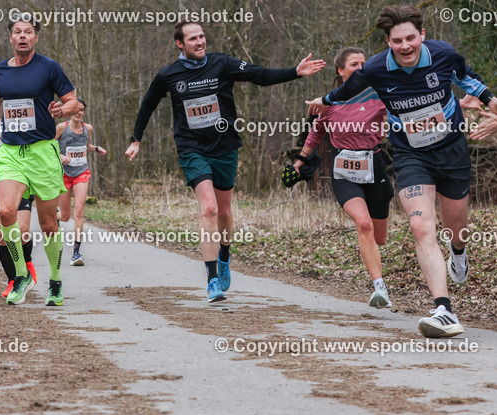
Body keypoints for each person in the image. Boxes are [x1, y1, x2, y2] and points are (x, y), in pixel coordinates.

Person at [307, 4, 497, 338]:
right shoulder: (376, 68)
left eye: (410, 38)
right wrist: (324, 99)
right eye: (396, 41)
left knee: (456, 227)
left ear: (422, 36)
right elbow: (347, 90)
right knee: (420, 225)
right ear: (388, 42)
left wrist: (490, 101)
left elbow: (465, 76)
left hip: (451, 151)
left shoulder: (443, 54)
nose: (405, 46)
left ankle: (458, 252)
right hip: (409, 154)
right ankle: (444, 309)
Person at [126, 20, 326, 302]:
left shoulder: (222, 64)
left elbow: (260, 75)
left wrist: (295, 71)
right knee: (207, 209)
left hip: (225, 146)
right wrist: (136, 139)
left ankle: (224, 255)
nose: (200, 42)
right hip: (191, 148)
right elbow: (148, 103)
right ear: (180, 44)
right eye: (192, 38)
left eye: (202, 36)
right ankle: (212, 282)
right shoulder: (168, 75)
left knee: (223, 211)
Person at [0, 14, 80, 306]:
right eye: (18, 32)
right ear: (11, 38)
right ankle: (21, 275)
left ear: (35, 38)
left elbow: (73, 100)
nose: (23, 36)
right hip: (10, 152)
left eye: (29, 32)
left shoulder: (49, 68)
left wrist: (63, 109)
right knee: (6, 213)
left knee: (48, 224)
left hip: (43, 151)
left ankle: (56, 282)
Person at [286, 47, 394, 308]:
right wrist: (300, 161)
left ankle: (373, 258)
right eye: (355, 64)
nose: (361, 68)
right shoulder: (330, 103)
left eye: (363, 63)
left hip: (375, 167)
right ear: (341, 70)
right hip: (344, 171)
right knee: (363, 225)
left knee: (379, 238)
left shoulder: (378, 97)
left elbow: (404, 113)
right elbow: (316, 133)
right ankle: (379, 287)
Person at [0, 85, 39, 297]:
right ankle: (14, 280)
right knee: (2, 231)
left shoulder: (23, 111)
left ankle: (27, 263)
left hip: (18, 176)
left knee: (21, 231)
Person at [56, 99, 106, 266]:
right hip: (63, 174)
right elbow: (49, 145)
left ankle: (76, 253)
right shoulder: (61, 128)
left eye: (82, 110)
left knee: (79, 211)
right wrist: (61, 156)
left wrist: (97, 148)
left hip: (81, 173)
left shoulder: (88, 128)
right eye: (76, 110)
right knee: (65, 216)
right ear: (70, 111)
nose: (78, 113)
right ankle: (53, 216)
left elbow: (86, 147)